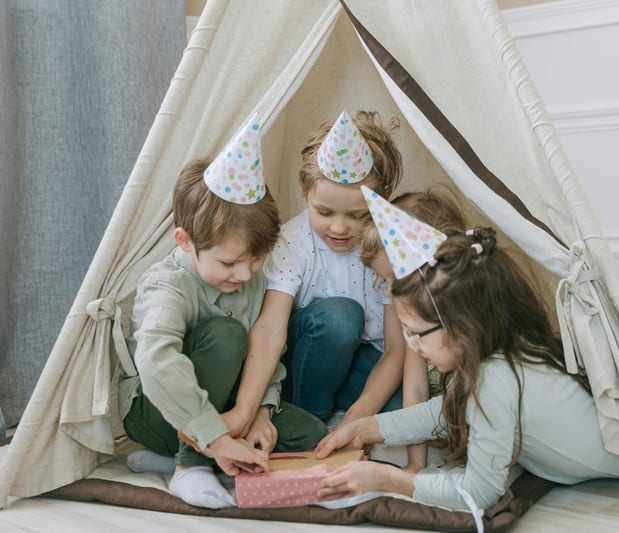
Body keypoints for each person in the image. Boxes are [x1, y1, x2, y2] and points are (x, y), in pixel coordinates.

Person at [315, 226, 619, 512]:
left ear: (462, 327)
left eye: (416, 333)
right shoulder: (507, 352)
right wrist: (365, 429)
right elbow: (447, 409)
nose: (412, 346)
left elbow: (478, 493)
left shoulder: (495, 378)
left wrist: (385, 478)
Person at [118, 120, 327, 510]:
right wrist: (213, 437)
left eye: (255, 259)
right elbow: (156, 362)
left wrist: (261, 410)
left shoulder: (249, 277)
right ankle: (190, 464)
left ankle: (181, 457)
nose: (245, 274)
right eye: (230, 263)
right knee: (227, 334)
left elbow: (266, 352)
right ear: (185, 241)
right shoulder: (168, 285)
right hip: (159, 413)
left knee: (309, 433)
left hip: (224, 408)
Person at [248, 110, 404, 428]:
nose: (339, 228)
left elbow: (395, 348)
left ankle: (339, 414)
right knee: (340, 317)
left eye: (358, 215)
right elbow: (270, 329)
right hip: (304, 360)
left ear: (384, 199)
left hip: (359, 361)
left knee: (402, 406)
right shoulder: (293, 242)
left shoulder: (390, 249)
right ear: (305, 192)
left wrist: (355, 420)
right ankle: (306, 420)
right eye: (324, 212)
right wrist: (251, 406)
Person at [359, 186, 467, 472]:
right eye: (384, 280)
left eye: (395, 277)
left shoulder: (466, 318)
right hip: (437, 420)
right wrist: (415, 463)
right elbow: (415, 389)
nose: (389, 291)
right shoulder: (413, 319)